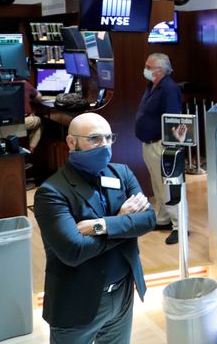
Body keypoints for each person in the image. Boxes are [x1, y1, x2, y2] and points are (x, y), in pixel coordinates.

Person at [34, 112, 156, 343]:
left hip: (122, 294)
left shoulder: (122, 173)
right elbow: (74, 251)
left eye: (109, 138)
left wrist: (101, 225)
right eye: (95, 139)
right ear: (72, 142)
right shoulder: (51, 192)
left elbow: (148, 219)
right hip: (77, 301)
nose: (105, 145)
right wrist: (125, 225)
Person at [135, 53, 182, 244]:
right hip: (148, 143)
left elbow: (172, 118)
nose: (145, 69)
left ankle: (179, 225)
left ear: (160, 70)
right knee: (157, 185)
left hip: (161, 145)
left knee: (168, 188)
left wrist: (168, 146)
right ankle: (163, 219)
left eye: (148, 66)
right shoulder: (152, 85)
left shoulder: (169, 88)